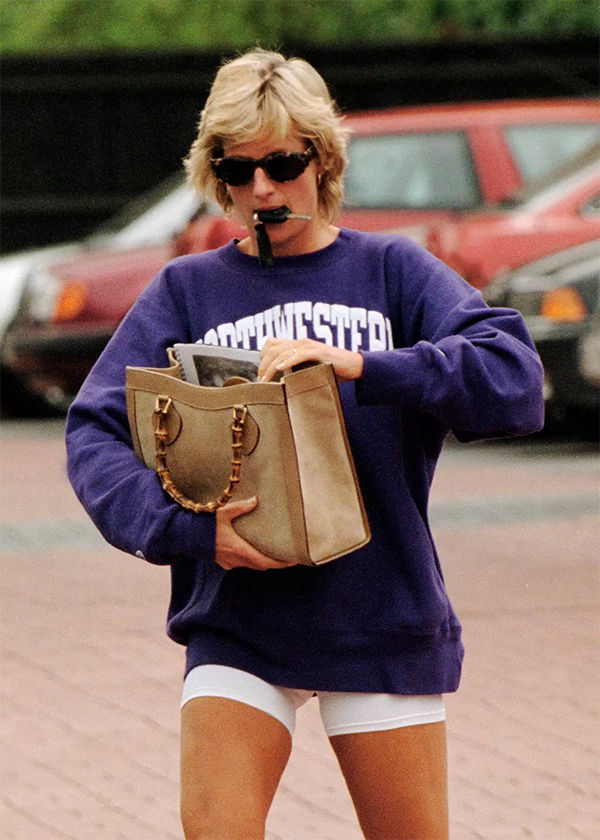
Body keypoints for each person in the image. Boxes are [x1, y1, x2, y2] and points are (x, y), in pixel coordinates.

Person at [65, 49, 544, 840]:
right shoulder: (187, 290)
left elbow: (515, 381)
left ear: (324, 160)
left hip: (381, 614)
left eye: (283, 163)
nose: (261, 189)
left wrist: (366, 366)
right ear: (214, 172)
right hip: (240, 621)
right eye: (237, 168)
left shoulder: (393, 272)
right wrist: (185, 529)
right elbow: (96, 430)